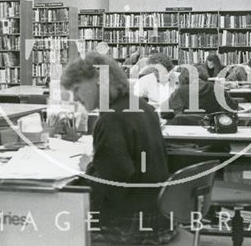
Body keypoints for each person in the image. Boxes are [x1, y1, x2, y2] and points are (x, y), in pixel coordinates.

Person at [61, 52, 176, 244]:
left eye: (77, 89)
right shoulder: (143, 107)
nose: (75, 98)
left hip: (131, 226)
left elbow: (110, 189)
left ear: (99, 79)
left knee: (53, 220)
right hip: (159, 217)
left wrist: (88, 170)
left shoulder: (110, 119)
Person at [168, 64, 238, 117]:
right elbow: (233, 107)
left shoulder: (179, 92)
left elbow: (168, 112)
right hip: (213, 129)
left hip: (185, 131)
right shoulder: (217, 89)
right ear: (204, 75)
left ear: (183, 77)